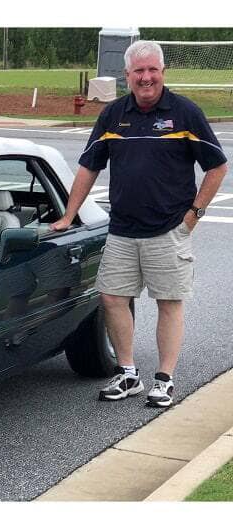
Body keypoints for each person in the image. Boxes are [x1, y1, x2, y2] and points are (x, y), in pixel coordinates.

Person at [50, 40, 228, 407]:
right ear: (127, 75)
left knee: (168, 302)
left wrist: (194, 213)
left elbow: (217, 165)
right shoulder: (113, 115)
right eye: (139, 71)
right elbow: (89, 166)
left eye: (152, 70)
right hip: (122, 230)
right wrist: (69, 215)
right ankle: (128, 373)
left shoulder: (185, 113)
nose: (146, 78)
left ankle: (164, 379)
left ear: (162, 72)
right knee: (112, 298)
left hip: (168, 230)